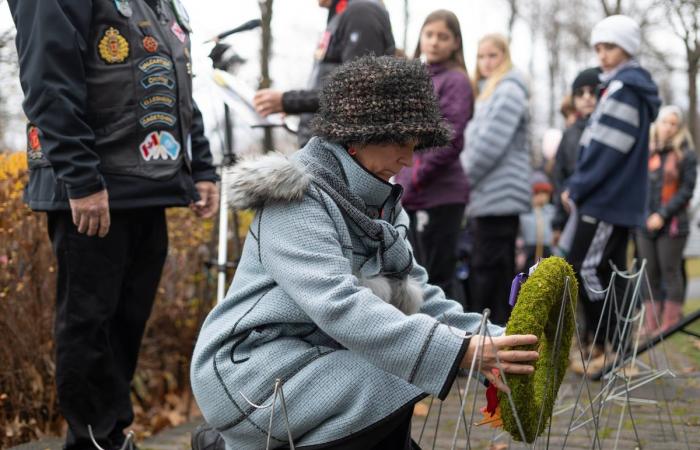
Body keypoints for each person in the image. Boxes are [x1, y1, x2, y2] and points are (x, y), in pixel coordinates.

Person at [190, 56, 539, 450]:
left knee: (398, 368)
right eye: (400, 143)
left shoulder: (379, 203)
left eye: (416, 146)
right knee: (390, 376)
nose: (408, 159)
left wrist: (496, 341)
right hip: (250, 371)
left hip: (319, 356)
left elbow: (416, 300)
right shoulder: (294, 199)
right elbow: (338, 304)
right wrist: (458, 351)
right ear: (357, 135)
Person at [8, 1, 219, 449]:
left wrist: (200, 166)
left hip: (149, 183)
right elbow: (48, 79)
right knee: (89, 324)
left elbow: (177, 78)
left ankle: (111, 434)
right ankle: (92, 441)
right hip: (94, 186)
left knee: (125, 324)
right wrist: (81, 178)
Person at [562, 15, 660, 369]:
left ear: (628, 48)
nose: (602, 54)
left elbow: (605, 150)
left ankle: (605, 346)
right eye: (598, 47)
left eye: (611, 47)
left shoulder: (625, 90)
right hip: (612, 199)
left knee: (583, 268)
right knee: (607, 272)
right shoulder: (620, 87)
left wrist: (578, 186)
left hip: (605, 200)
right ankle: (614, 349)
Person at [395, 10, 473, 302]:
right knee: (414, 277)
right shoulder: (415, 78)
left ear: (455, 43)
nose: (435, 42)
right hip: (410, 193)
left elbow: (450, 139)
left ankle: (458, 341)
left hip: (441, 195)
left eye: (443, 36)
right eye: (429, 34)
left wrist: (416, 175)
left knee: (439, 278)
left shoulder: (456, 81)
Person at [253, 0, 395, 146]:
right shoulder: (344, 13)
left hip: (339, 152)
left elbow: (357, 90)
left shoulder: (361, 12)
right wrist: (298, 108)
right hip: (325, 150)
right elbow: (335, 85)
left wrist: (289, 101)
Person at [460, 33, 531, 325]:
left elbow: (488, 145)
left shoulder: (509, 90)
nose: (486, 62)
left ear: (505, 57)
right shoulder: (488, 91)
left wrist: (461, 179)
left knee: (490, 275)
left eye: (493, 56)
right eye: (481, 56)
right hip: (488, 196)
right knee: (490, 272)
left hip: (499, 197)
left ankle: (496, 340)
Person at [637, 106, 697, 335]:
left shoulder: (686, 154)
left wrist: (662, 214)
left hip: (673, 225)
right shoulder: (647, 152)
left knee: (670, 271)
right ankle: (651, 324)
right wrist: (645, 217)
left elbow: (687, 190)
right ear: (658, 124)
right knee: (649, 272)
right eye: (665, 122)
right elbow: (638, 188)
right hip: (644, 223)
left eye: (674, 123)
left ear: (679, 127)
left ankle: (671, 322)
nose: (669, 127)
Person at [552, 67, 602, 242]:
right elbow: (559, 176)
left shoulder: (607, 128)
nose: (587, 97)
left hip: (603, 212)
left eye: (592, 91)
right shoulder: (569, 133)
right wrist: (557, 223)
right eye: (580, 93)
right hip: (572, 214)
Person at [519, 172, 556, 270]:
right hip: (529, 250)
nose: (541, 197)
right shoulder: (524, 212)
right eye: (537, 193)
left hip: (547, 250)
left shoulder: (551, 211)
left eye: (545, 193)